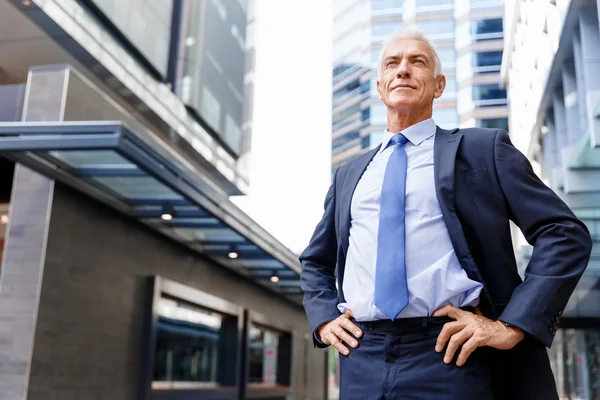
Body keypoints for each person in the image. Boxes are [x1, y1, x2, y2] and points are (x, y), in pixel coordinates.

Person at [300, 26, 592, 400]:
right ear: (380, 86)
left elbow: (563, 232)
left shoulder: (484, 149)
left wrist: (513, 324)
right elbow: (315, 260)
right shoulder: (350, 174)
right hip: (361, 356)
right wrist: (324, 317)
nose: (402, 69)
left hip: (449, 352)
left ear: (438, 85)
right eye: (392, 63)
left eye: (416, 62)